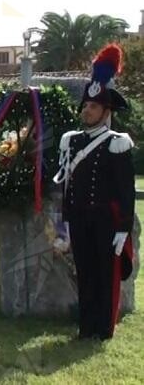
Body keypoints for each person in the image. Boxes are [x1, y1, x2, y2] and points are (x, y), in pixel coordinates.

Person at [53, 44, 135, 340]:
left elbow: (126, 190)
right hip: (80, 219)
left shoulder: (117, 143)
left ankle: (104, 328)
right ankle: (86, 327)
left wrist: (124, 229)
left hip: (106, 222)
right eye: (85, 105)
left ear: (106, 111)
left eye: (94, 107)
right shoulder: (71, 141)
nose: (87, 110)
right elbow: (66, 185)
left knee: (106, 276)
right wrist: (65, 223)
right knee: (85, 274)